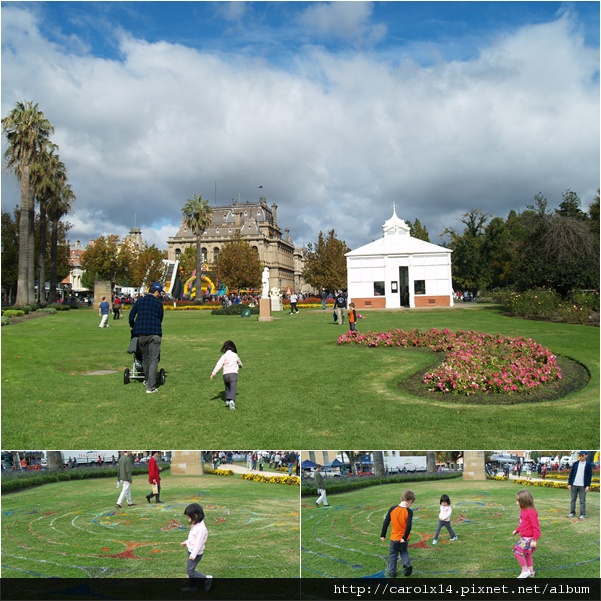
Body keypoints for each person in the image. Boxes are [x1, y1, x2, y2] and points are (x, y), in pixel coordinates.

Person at [129, 282, 164, 394]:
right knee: (154, 359)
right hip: (154, 333)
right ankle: (151, 386)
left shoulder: (140, 301)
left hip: (141, 333)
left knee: (145, 358)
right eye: (159, 293)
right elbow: (160, 318)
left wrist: (133, 326)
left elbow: (131, 315)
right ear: (157, 292)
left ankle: (147, 379)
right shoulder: (158, 304)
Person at [380, 490, 416, 577]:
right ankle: (407, 565)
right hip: (404, 538)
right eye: (412, 503)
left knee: (393, 555)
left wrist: (383, 534)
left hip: (394, 538)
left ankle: (392, 573)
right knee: (404, 552)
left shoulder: (392, 509)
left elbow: (386, 522)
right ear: (410, 501)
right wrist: (404, 537)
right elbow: (408, 526)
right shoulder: (409, 511)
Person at [180, 503, 212, 592]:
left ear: (196, 516)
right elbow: (192, 538)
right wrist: (186, 542)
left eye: (189, 517)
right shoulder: (196, 525)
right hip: (191, 551)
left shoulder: (201, 529)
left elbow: (198, 544)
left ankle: (206, 579)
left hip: (196, 553)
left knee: (190, 571)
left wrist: (193, 555)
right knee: (191, 571)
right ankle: (192, 587)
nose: (188, 519)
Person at [512, 489, 540, 579]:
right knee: (527, 554)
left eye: (518, 501)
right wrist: (517, 530)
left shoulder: (531, 512)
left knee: (517, 552)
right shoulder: (523, 510)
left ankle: (525, 571)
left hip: (529, 538)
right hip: (524, 536)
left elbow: (536, 527)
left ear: (524, 502)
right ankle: (531, 572)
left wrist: (535, 539)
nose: (517, 503)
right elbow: (522, 523)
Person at [210, 340, 243, 411]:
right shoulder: (235, 355)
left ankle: (227, 400)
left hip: (225, 375)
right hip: (233, 374)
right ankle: (231, 401)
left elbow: (219, 365)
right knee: (233, 388)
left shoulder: (224, 356)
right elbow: (239, 362)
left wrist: (213, 373)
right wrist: (240, 366)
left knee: (227, 387)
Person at [567, 451, 592, 519]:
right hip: (574, 484)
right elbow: (571, 474)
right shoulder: (575, 464)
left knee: (582, 501)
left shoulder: (588, 464)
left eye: (582, 455)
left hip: (582, 486)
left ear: (586, 455)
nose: (581, 457)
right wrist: (569, 483)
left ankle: (583, 514)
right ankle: (572, 512)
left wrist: (587, 485)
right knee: (572, 500)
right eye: (580, 455)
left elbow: (589, 476)